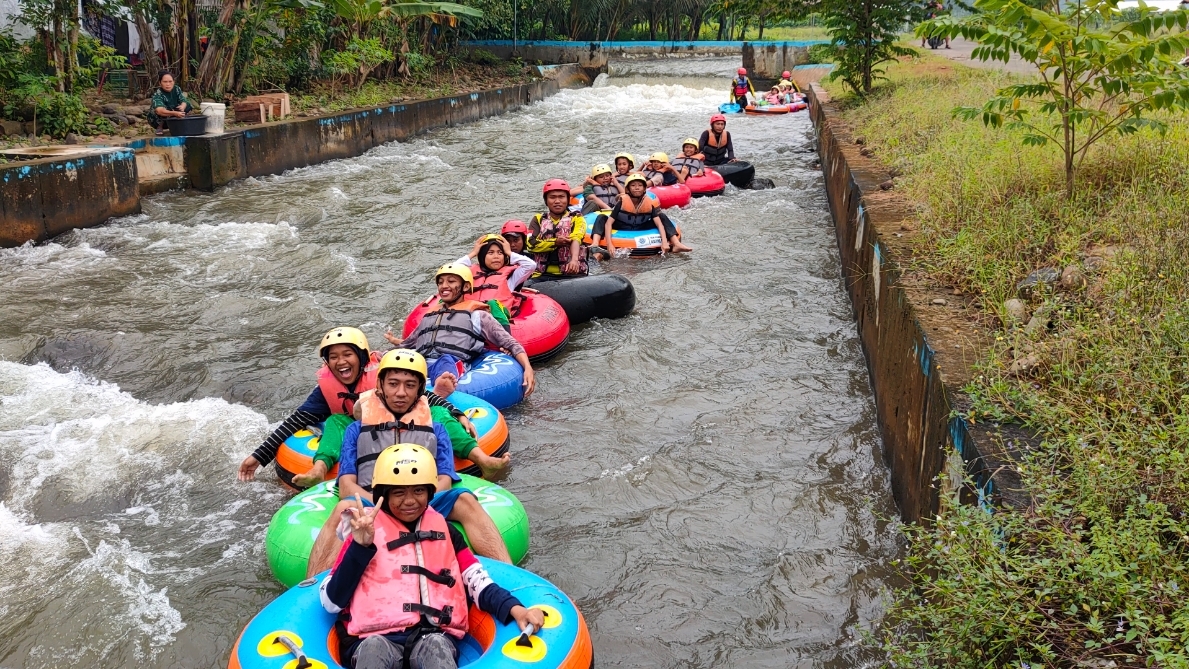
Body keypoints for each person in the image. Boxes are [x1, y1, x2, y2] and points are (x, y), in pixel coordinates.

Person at [319, 443, 545, 669]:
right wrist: (360, 547)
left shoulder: (446, 531)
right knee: (374, 647)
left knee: (436, 646)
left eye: (418, 491)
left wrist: (517, 609)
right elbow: (331, 602)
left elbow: (477, 580)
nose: (409, 501)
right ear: (383, 495)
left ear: (429, 492)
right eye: (398, 492)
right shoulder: (362, 531)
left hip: (432, 634)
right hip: (373, 637)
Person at [305, 349, 514, 578]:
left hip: (424, 501)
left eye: (410, 385)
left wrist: (417, 502)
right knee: (343, 508)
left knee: (464, 499)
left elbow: (444, 478)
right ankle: (312, 587)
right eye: (393, 384)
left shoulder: (436, 429)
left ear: (420, 390)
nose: (401, 393)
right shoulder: (356, 430)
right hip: (372, 504)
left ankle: (508, 576)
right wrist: (387, 504)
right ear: (380, 386)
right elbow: (346, 486)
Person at [236, 327, 478, 487]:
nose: (341, 362)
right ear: (327, 363)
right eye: (333, 357)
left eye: (347, 354)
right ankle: (319, 468)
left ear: (362, 358)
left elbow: (424, 398)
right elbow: (296, 420)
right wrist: (259, 456)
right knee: (335, 422)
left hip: (408, 425)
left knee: (437, 414)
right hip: (367, 435)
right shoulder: (325, 391)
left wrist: (457, 413)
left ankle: (478, 455)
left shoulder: (385, 378)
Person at [384, 264, 537, 396]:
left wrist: (528, 368)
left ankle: (440, 389)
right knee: (390, 357)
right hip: (421, 362)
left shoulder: (477, 316)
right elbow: (408, 344)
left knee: (446, 361)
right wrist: (385, 353)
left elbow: (510, 343)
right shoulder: (430, 315)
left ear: (465, 287)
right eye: (441, 282)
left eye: (451, 281)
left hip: (450, 362)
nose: (444, 286)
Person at [603, 174, 693, 256]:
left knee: (662, 216)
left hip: (641, 226)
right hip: (622, 226)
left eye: (640, 185)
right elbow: (608, 223)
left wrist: (664, 242)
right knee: (601, 218)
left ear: (644, 189)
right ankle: (595, 245)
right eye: (633, 185)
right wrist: (609, 244)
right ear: (627, 189)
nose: (637, 188)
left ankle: (676, 243)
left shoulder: (648, 202)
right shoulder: (622, 202)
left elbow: (659, 224)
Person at [525, 179, 588, 278]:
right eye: (552, 197)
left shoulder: (577, 218)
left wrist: (574, 260)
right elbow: (530, 244)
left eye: (561, 197)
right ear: (546, 200)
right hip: (541, 275)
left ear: (567, 199)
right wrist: (555, 242)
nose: (557, 201)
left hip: (571, 273)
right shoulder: (537, 219)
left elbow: (576, 238)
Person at [455, 233, 536, 308]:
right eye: (491, 253)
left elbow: (531, 265)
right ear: (482, 256)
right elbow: (452, 269)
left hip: (495, 318)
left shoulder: (511, 278)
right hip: (469, 315)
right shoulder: (469, 273)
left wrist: (509, 252)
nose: (496, 256)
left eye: (500, 253)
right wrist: (473, 253)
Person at [580, 164, 622, 259]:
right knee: (591, 202)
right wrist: (608, 208)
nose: (605, 178)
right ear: (595, 179)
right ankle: (579, 224)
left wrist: (617, 183)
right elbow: (591, 197)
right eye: (601, 177)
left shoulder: (615, 186)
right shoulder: (590, 187)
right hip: (597, 211)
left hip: (612, 213)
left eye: (607, 176)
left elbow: (626, 194)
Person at [147, 71, 193, 135]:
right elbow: (159, 111)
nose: (168, 84)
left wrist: (183, 106)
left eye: (170, 81)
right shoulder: (158, 94)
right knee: (158, 109)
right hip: (159, 120)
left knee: (188, 104)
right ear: (160, 83)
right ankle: (159, 126)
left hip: (173, 115)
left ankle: (183, 123)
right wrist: (174, 113)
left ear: (173, 82)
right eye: (165, 82)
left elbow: (184, 100)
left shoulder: (176, 89)